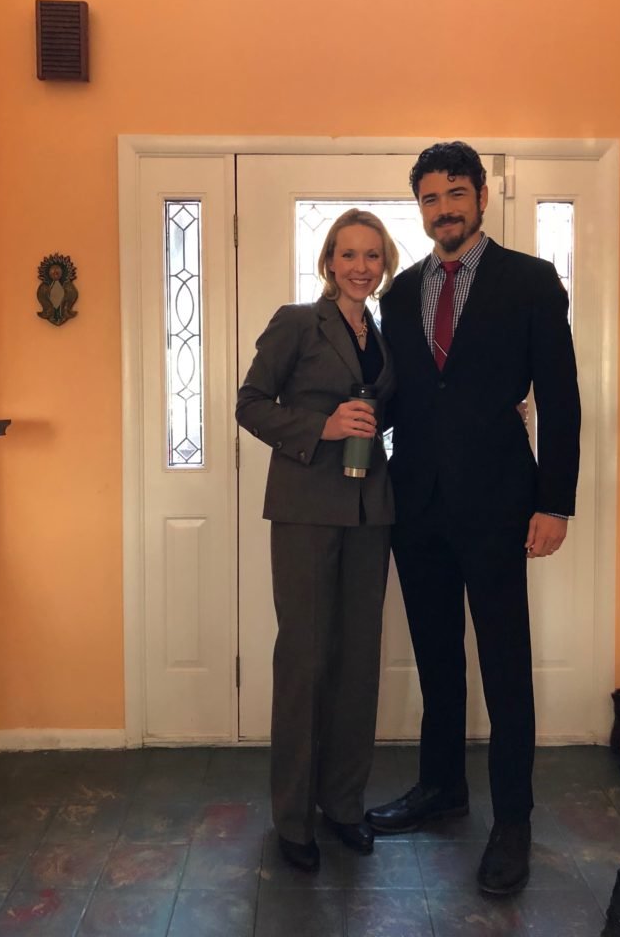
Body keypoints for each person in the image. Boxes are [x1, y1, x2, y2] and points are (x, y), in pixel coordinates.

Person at [366, 141, 581, 895]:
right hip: (416, 507)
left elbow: (560, 397)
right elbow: (395, 396)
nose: (444, 209)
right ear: (418, 208)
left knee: (504, 664)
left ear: (482, 197)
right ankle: (441, 787)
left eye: (456, 193)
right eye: (429, 198)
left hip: (499, 506)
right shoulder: (397, 296)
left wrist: (554, 501)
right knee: (437, 657)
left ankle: (512, 820)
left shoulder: (530, 281)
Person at [236, 209, 398, 872]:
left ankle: (344, 805)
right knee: (305, 660)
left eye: (371, 255)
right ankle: (294, 818)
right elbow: (249, 403)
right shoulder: (298, 322)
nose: (360, 266)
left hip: (371, 511)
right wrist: (321, 428)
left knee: (359, 660)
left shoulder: (382, 335)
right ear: (328, 261)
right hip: (305, 508)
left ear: (383, 263)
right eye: (347, 254)